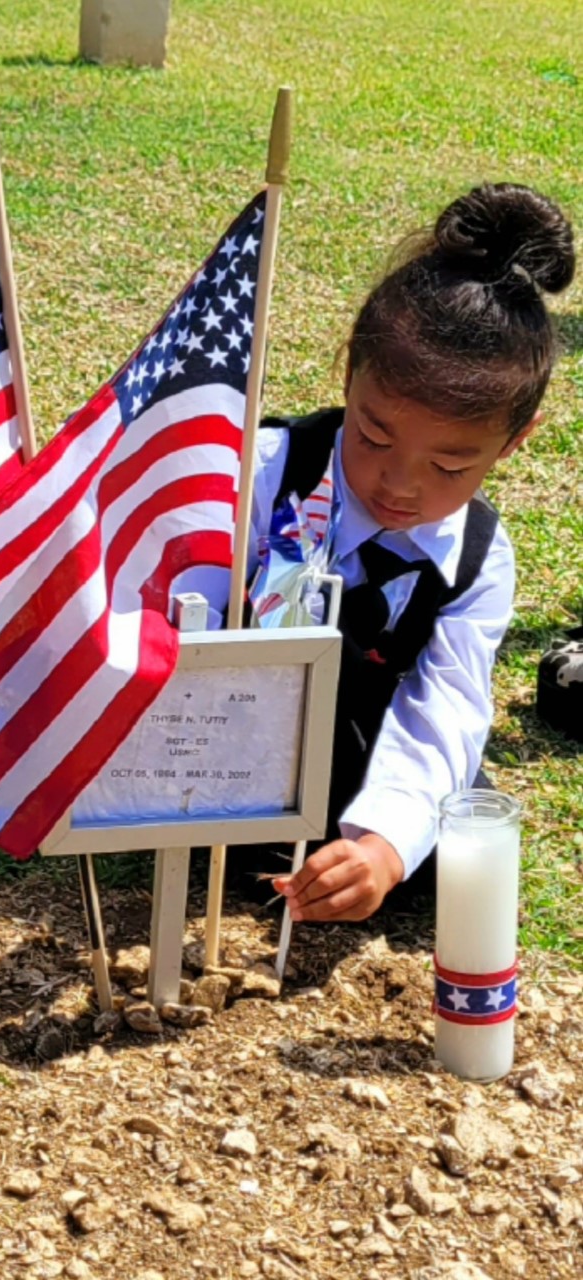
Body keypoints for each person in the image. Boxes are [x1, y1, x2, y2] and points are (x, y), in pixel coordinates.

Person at [252, 182, 576, 923]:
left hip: (360, 771)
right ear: (347, 378)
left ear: (513, 444)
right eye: (371, 436)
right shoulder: (263, 474)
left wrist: (382, 847)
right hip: (223, 752)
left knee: (461, 837)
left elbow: (445, 711)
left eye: (451, 467)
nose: (398, 484)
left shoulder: (477, 561)